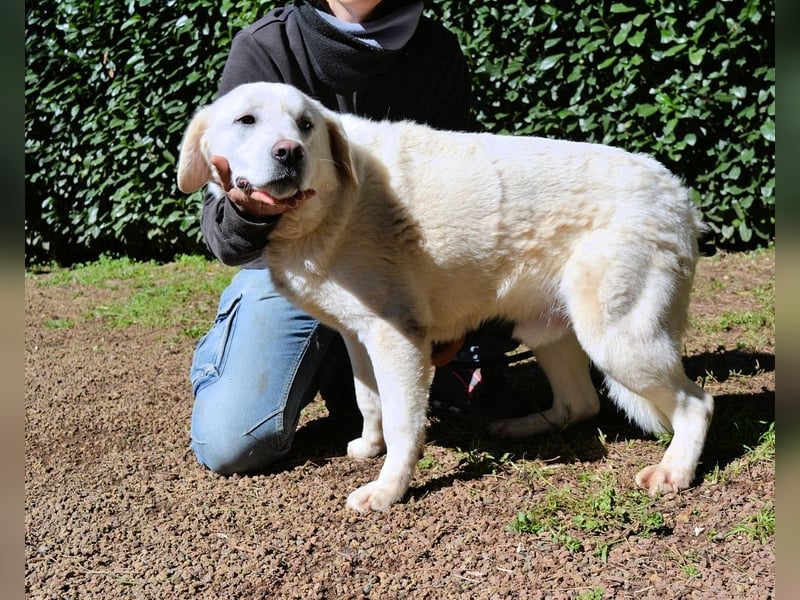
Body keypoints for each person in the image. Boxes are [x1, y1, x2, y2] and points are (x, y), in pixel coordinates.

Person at [189, 0, 516, 475]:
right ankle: (238, 354)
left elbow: (466, 197)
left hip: (395, 267)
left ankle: (345, 371)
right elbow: (224, 239)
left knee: (460, 397)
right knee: (233, 441)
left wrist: (460, 312)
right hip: (289, 270)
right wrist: (248, 211)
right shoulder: (266, 47)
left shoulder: (437, 51)